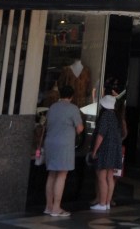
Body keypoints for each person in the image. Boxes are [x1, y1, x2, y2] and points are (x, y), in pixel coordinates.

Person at [43, 84, 84, 217]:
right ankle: (56, 208)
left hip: (50, 143)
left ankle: (48, 206)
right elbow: (80, 128)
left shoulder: (53, 107)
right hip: (64, 145)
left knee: (51, 175)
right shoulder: (73, 109)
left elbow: (47, 123)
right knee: (61, 175)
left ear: (60, 94)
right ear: (72, 96)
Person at [88, 93, 124, 210]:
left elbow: (100, 135)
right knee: (110, 177)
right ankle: (107, 203)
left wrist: (94, 151)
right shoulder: (116, 117)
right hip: (115, 150)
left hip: (105, 149)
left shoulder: (105, 116)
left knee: (101, 177)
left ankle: (102, 204)